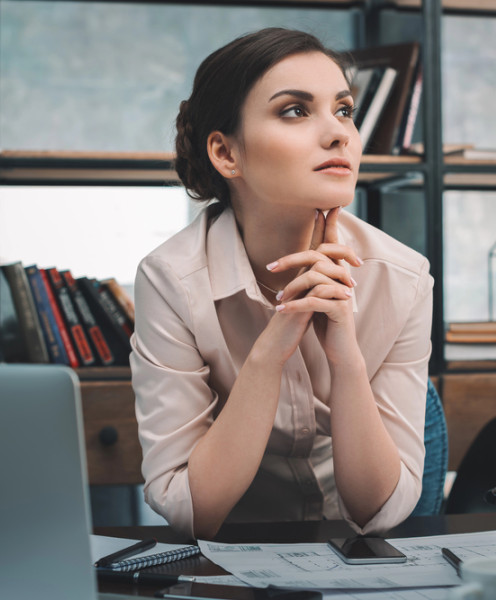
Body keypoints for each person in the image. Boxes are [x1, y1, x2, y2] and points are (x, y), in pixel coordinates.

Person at [131, 27, 433, 539]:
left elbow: (379, 512)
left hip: (355, 561)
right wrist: (271, 351)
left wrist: (346, 360)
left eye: (343, 111)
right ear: (226, 154)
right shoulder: (170, 281)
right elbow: (187, 509)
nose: (339, 133)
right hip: (234, 562)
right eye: (295, 110)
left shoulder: (401, 277)